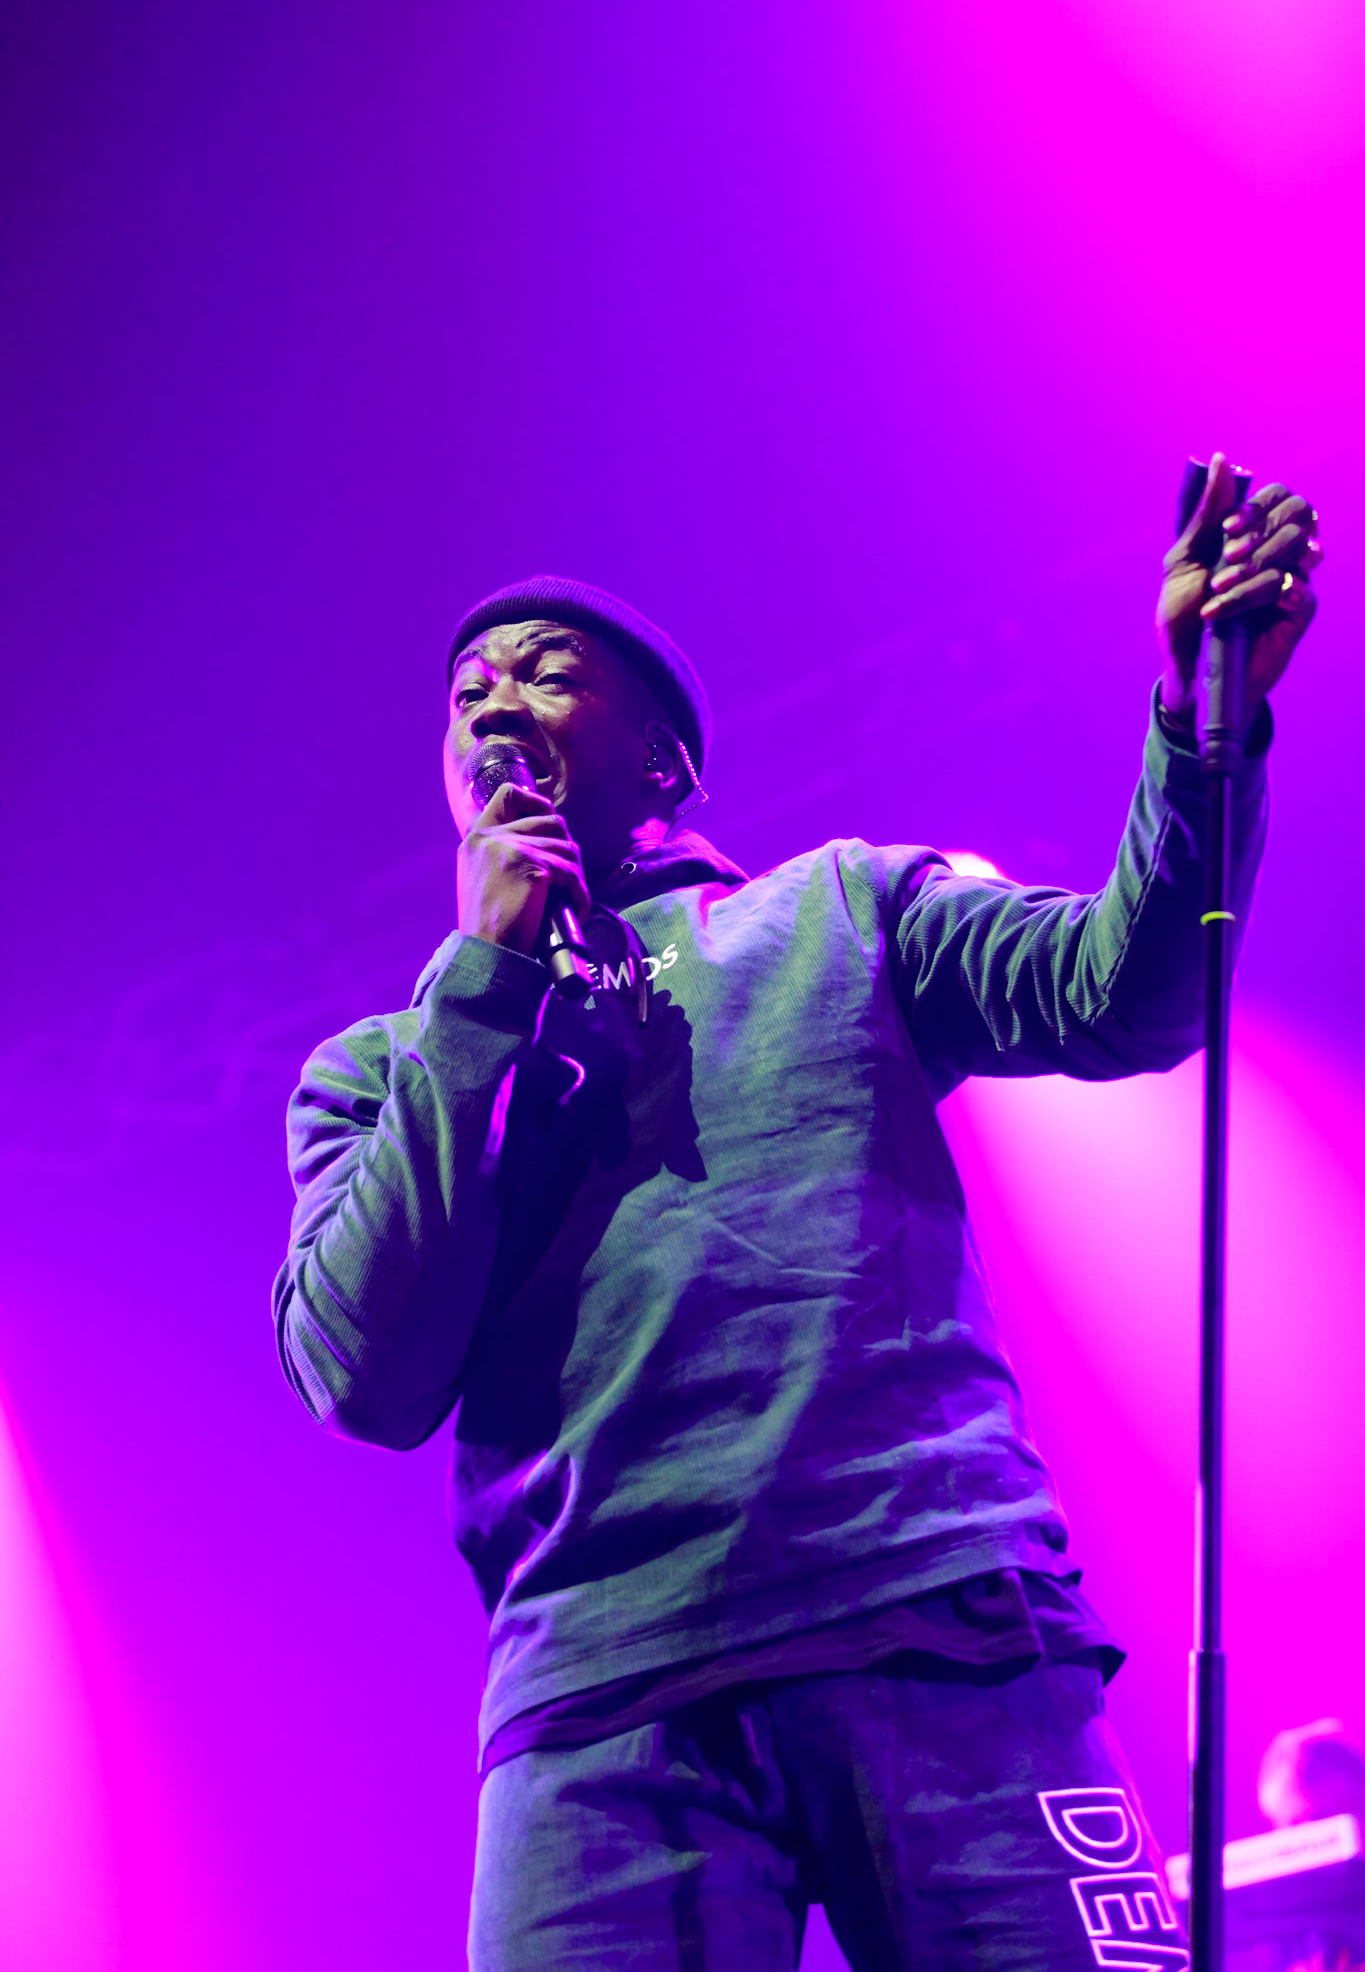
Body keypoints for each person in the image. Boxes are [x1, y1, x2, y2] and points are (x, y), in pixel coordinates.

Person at [274, 454, 1319, 1970]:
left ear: (663, 761)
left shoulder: (843, 908)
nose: (494, 703)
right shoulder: (385, 1064)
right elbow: (361, 1376)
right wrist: (481, 990)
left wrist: (1196, 731)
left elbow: (1125, 993)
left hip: (932, 1618)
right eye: (466, 693)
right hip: (599, 1703)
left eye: (549, 677)